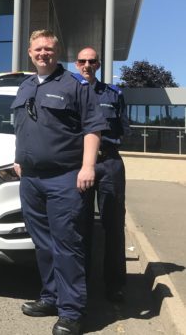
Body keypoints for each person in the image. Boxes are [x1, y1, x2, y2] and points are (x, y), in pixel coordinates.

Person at [11, 30, 107, 335]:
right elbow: (22, 126)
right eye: (38, 49)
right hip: (31, 179)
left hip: (65, 178)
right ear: (29, 53)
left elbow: (93, 128)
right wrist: (19, 158)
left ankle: (72, 312)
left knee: (68, 245)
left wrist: (88, 166)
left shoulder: (75, 85)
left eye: (49, 49)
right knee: (43, 245)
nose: (43, 54)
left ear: (57, 51)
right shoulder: (25, 85)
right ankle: (51, 297)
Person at [75, 47, 129, 302]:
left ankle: (115, 285)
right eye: (82, 61)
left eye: (91, 61)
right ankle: (80, 285)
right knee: (78, 225)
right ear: (76, 64)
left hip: (108, 163)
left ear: (98, 65)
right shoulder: (69, 92)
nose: (87, 65)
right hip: (76, 164)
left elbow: (123, 128)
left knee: (113, 226)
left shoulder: (113, 93)